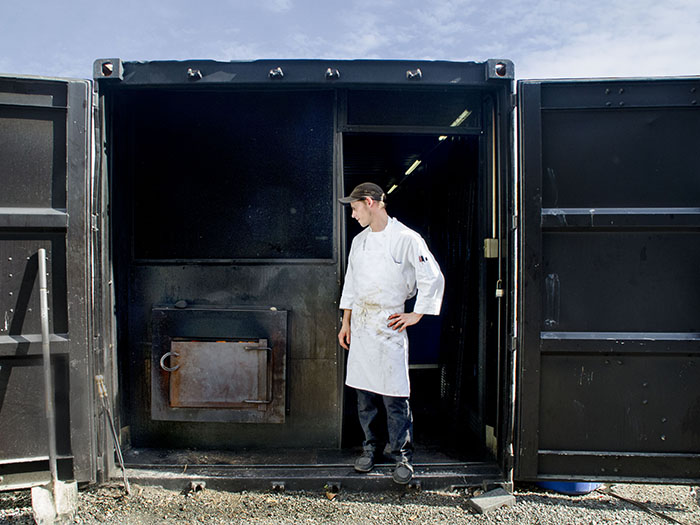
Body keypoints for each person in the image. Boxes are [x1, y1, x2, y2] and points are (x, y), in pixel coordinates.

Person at [337, 182, 445, 485]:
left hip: (389, 323)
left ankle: (401, 454)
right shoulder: (359, 242)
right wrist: (346, 322)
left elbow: (432, 277)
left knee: (394, 395)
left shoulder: (406, 239)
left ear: (370, 203)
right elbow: (352, 283)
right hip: (361, 323)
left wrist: (415, 314)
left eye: (355, 208)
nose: (353, 215)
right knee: (364, 395)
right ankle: (369, 448)